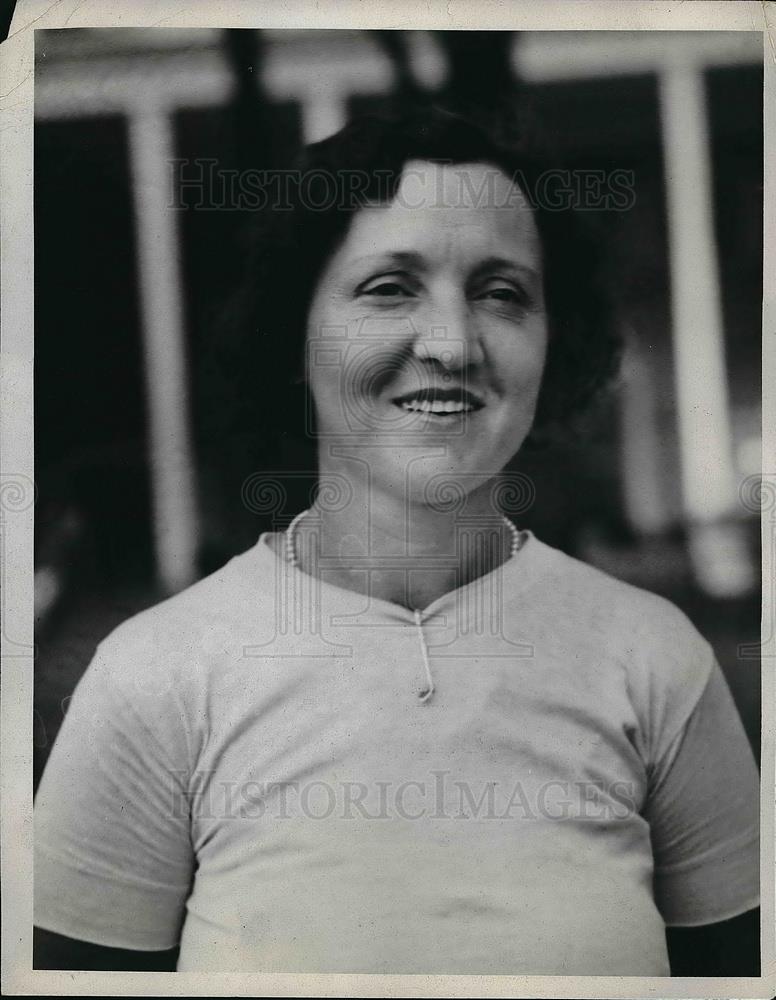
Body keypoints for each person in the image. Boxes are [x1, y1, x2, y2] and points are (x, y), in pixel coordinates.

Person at [33, 109, 759, 976]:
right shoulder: (155, 675)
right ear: (293, 338)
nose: (451, 343)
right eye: (389, 288)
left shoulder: (655, 659)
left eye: (501, 292)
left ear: (553, 343)